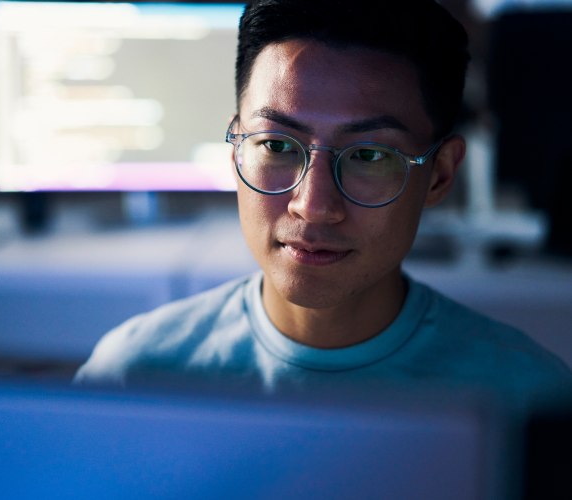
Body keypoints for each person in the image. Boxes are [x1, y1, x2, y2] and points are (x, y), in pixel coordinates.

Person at [74, 0, 572, 405]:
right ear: (234, 146)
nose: (313, 206)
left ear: (439, 175)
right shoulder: (135, 377)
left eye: (369, 155)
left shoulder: (528, 402)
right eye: (276, 145)